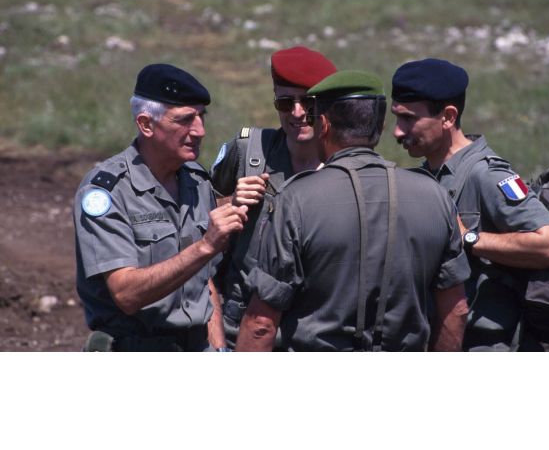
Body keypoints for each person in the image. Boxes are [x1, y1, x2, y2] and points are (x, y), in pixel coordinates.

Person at [236, 70, 470, 352]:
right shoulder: (435, 196)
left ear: (322, 124)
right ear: (381, 126)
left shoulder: (296, 199)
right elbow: (455, 311)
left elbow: (261, 323)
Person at [74, 63, 248, 351]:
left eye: (202, 117)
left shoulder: (196, 179)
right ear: (146, 124)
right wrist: (206, 245)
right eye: (185, 120)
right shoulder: (106, 191)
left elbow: (204, 281)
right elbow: (126, 294)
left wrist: (218, 350)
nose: (200, 130)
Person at [390, 57, 549, 351]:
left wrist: (468, 237)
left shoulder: (487, 175)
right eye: (396, 118)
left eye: (409, 119)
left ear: (448, 116)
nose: (397, 132)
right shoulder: (428, 176)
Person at [211, 45, 337, 348]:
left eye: (309, 101)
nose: (297, 113)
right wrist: (232, 202)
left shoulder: (345, 162)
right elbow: (195, 215)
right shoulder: (248, 150)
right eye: (285, 102)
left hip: (316, 332)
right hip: (240, 326)